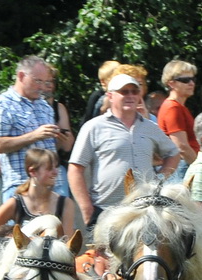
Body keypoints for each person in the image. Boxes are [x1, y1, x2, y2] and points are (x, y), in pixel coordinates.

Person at [69, 73, 178, 226]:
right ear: (110, 96)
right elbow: (75, 168)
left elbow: (173, 153)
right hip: (107, 210)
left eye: (134, 91)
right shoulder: (94, 127)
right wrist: (86, 208)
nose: (130, 96)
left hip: (144, 210)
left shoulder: (150, 127)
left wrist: (158, 179)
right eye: (124, 92)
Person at [0, 56, 69, 200]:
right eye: (38, 81)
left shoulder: (44, 106)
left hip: (53, 185)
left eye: (45, 82)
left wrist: (58, 138)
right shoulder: (3, 104)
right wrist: (34, 135)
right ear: (21, 76)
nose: (42, 87)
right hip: (22, 186)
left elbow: (48, 146)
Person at [0, 147, 81, 237]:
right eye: (49, 168)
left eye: (56, 167)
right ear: (32, 171)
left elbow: (67, 241)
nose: (55, 172)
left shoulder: (65, 203)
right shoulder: (16, 203)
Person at [154, 59, 199, 168]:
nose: (191, 83)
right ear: (171, 83)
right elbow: (181, 147)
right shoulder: (173, 108)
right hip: (182, 166)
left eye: (193, 79)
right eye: (185, 80)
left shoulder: (178, 107)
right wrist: (200, 168)